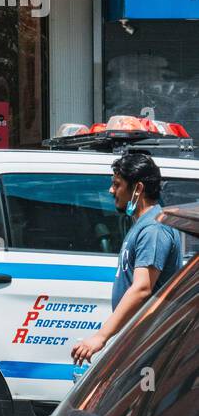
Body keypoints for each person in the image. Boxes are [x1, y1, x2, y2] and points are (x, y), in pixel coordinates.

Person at [72, 151, 183, 365]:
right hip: (139, 339)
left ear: (138, 189)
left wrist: (100, 337)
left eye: (117, 184)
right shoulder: (142, 225)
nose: (111, 190)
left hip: (150, 343)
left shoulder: (154, 229)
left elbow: (142, 288)